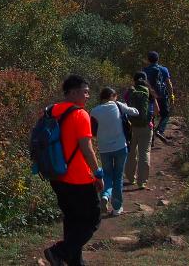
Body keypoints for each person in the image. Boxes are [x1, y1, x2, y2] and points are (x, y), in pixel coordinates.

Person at [43, 75, 104, 266]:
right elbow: (86, 148)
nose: (88, 95)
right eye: (85, 91)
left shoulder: (51, 111)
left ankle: (75, 262)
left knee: (72, 219)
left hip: (56, 175)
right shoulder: (80, 114)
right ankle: (59, 252)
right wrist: (98, 173)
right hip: (79, 178)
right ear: (73, 92)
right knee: (92, 220)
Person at [90, 86, 138, 216]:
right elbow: (135, 112)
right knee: (118, 177)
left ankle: (105, 196)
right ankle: (117, 208)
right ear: (113, 96)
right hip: (120, 147)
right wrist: (126, 106)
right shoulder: (118, 105)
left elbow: (92, 129)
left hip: (104, 148)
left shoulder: (94, 111)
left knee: (107, 175)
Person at [124, 72, 159, 188]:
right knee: (144, 152)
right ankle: (142, 181)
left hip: (132, 126)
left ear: (134, 80)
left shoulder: (130, 92)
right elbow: (157, 111)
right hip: (146, 127)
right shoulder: (150, 93)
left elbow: (125, 108)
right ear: (145, 79)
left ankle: (130, 177)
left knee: (131, 152)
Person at [142, 51, 175, 141]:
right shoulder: (164, 69)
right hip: (162, 96)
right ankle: (160, 130)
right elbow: (169, 83)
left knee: (151, 116)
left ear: (148, 60)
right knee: (165, 115)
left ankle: (151, 139)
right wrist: (172, 95)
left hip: (149, 97)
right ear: (158, 59)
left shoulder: (144, 70)